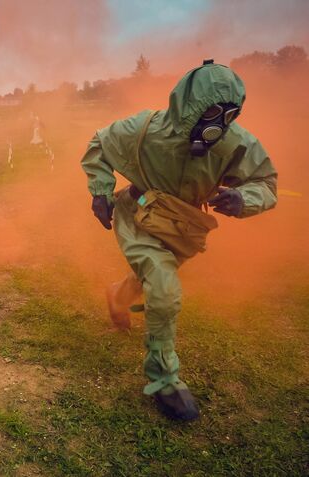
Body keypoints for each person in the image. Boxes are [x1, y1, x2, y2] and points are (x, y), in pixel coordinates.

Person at [81, 60, 277, 421]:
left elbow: (266, 182)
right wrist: (100, 192)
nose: (218, 124)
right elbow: (99, 145)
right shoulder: (144, 129)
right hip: (138, 212)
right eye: (212, 111)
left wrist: (243, 198)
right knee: (163, 283)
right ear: (189, 105)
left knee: (154, 277)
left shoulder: (235, 143)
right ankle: (165, 380)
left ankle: (117, 295)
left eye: (229, 114)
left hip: (181, 226)